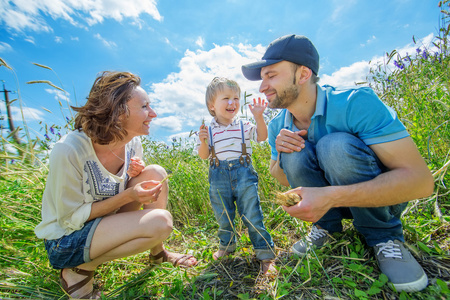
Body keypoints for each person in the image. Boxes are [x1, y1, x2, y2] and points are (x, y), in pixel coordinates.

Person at [241, 34, 434, 292]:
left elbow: (420, 182)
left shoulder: (355, 101)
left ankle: (384, 235)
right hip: (330, 202)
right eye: (262, 78)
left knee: (335, 146)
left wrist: (331, 196)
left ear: (303, 74)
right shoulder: (277, 125)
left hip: (380, 199)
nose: (263, 86)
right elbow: (282, 176)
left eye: (271, 75)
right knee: (292, 153)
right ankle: (326, 226)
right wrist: (281, 152)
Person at [35, 71, 197, 299]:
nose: (153, 113)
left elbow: (132, 188)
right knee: (161, 222)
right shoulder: (69, 150)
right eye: (144, 107)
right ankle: (79, 268)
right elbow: (69, 218)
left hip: (102, 224)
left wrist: (132, 181)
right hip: (67, 240)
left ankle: (157, 253)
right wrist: (130, 195)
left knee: (154, 172)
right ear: (118, 112)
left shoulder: (133, 143)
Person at [195, 77, 276, 275]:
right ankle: (227, 246)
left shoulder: (244, 125)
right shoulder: (208, 130)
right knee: (223, 215)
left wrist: (258, 117)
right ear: (212, 106)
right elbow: (204, 156)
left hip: (244, 174)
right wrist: (203, 142)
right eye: (226, 98)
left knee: (252, 213)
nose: (232, 103)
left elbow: (261, 137)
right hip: (218, 175)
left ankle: (265, 253)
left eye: (236, 98)